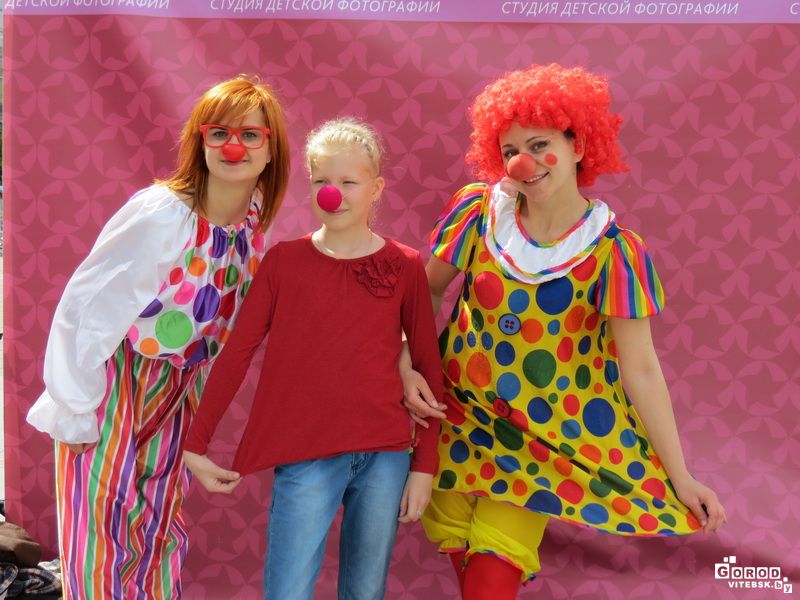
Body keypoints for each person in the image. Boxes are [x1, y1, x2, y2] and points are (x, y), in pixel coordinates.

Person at [413, 64, 727, 598]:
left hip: (538, 439)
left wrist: (681, 475)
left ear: (578, 145)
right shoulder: (479, 213)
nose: (523, 162)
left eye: (540, 145)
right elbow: (425, 294)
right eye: (511, 150)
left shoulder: (614, 251)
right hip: (455, 419)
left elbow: (641, 368)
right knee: (462, 552)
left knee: (494, 566)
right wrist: (409, 363)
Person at [25, 74, 291, 599]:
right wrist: (76, 404)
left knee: (159, 526)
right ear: (200, 141)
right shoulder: (163, 215)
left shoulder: (251, 221)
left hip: (181, 387)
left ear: (270, 150)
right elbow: (87, 308)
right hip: (117, 380)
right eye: (219, 133)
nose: (233, 147)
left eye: (250, 135)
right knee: (102, 533)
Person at [182, 117, 443, 600]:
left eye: (348, 182)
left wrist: (424, 466)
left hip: (385, 456)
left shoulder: (405, 265)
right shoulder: (284, 262)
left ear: (376, 189)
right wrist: (196, 444)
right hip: (306, 456)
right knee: (288, 591)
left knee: (365, 591)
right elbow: (237, 354)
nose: (332, 193)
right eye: (322, 181)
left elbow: (428, 368)